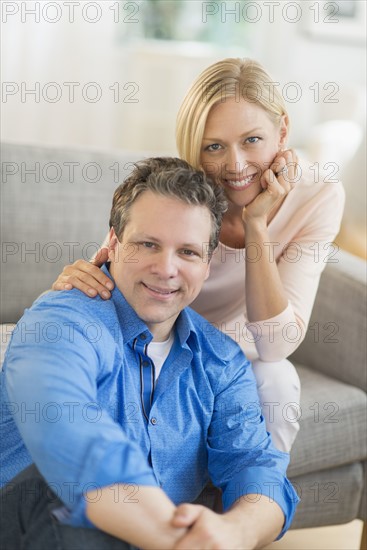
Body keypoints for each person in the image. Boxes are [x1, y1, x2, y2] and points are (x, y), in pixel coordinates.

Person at [0, 158, 298, 550]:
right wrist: (172, 539)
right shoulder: (61, 321)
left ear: (207, 266)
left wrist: (235, 532)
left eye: (188, 252)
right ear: (113, 243)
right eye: (148, 244)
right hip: (32, 526)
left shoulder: (220, 361)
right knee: (57, 492)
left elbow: (257, 468)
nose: (166, 268)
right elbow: (72, 435)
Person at [51, 58, 345, 452]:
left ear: (283, 130)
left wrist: (256, 225)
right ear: (195, 147)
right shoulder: (179, 192)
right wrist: (76, 288)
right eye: (214, 147)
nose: (236, 165)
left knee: (277, 379)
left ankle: (253, 507)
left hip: (231, 351)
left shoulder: (317, 195)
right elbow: (118, 270)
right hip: (155, 341)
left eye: (252, 140)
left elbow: (275, 344)